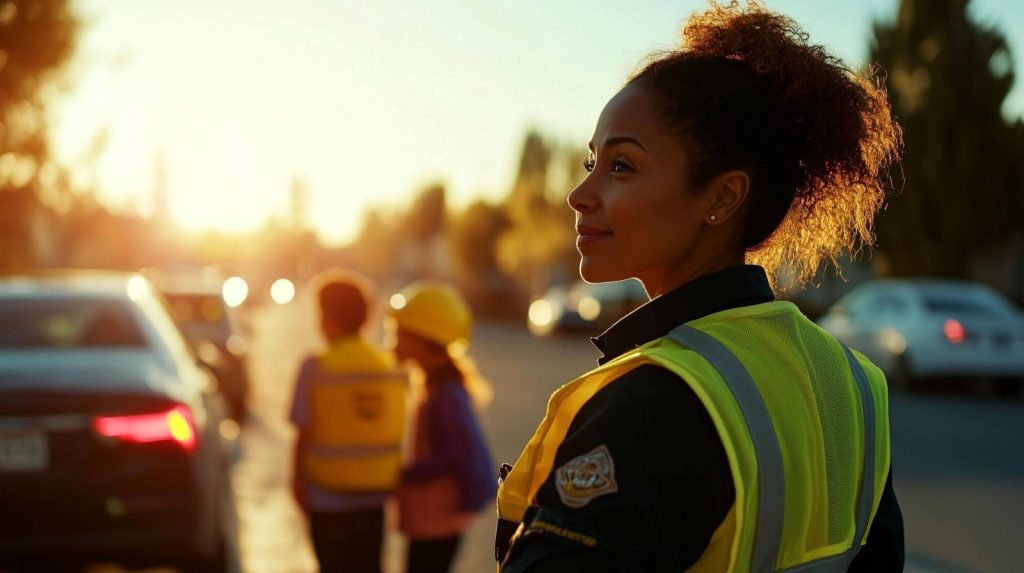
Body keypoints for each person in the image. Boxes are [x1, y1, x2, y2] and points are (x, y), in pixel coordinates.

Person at [495, 3, 905, 572]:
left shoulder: (653, 402)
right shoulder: (852, 383)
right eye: (593, 161)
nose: (579, 194)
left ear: (720, 198)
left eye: (621, 167)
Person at [289, 270, 408, 573]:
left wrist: (296, 482)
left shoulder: (315, 367)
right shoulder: (389, 366)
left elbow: (302, 431)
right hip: (374, 498)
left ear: (327, 317)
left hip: (326, 498)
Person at [388, 280, 496, 573]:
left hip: (437, 518)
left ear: (426, 339)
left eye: (400, 334)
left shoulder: (445, 393)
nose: (392, 342)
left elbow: (452, 455)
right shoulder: (434, 384)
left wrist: (399, 474)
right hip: (432, 518)